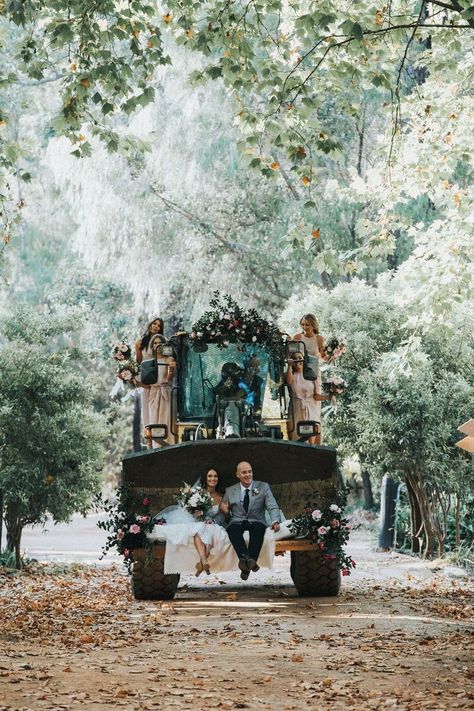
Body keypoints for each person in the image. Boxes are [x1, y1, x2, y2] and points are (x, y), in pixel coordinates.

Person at [151, 469, 229, 576]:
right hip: (196, 521)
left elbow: (222, 515)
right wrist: (195, 513)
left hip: (210, 523)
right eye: (210, 476)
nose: (213, 479)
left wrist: (213, 520)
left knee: (213, 531)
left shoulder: (220, 497)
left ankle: (202, 563)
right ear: (206, 479)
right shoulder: (198, 493)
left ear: (218, 479)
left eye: (215, 476)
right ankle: (204, 560)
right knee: (197, 530)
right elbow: (188, 509)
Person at [222, 461, 281, 580]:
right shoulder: (230, 490)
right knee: (232, 529)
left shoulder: (263, 487)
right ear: (237, 475)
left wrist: (275, 520)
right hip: (237, 521)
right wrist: (213, 520)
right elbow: (222, 510)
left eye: (250, 471)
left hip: (257, 521)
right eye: (244, 472)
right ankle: (250, 562)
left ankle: (245, 565)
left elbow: (272, 506)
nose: (248, 475)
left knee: (259, 529)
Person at [135, 316, 176, 446]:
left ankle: (165, 443)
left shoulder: (167, 356)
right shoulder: (142, 342)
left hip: (162, 387)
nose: (156, 326)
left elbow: (169, 376)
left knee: (165, 417)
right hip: (150, 382)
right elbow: (139, 362)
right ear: (150, 324)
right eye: (154, 323)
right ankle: (150, 444)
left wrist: (170, 370)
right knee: (149, 414)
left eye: (159, 325)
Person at [291, 313, 326, 445]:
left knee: (313, 405)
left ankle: (314, 442)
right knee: (298, 401)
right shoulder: (298, 337)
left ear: (313, 325)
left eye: (307, 325)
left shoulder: (319, 339)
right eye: (303, 325)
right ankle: (297, 438)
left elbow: (323, 357)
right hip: (299, 372)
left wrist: (334, 352)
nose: (305, 327)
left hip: (313, 374)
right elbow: (291, 352)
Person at [285, 353, 330, 445]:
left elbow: (316, 396)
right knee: (297, 436)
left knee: (311, 434)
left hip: (311, 408)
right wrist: (289, 366)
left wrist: (329, 396)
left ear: (304, 360)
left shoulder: (312, 375)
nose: (297, 360)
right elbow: (289, 381)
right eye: (295, 358)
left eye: (299, 358)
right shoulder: (291, 374)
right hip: (297, 408)